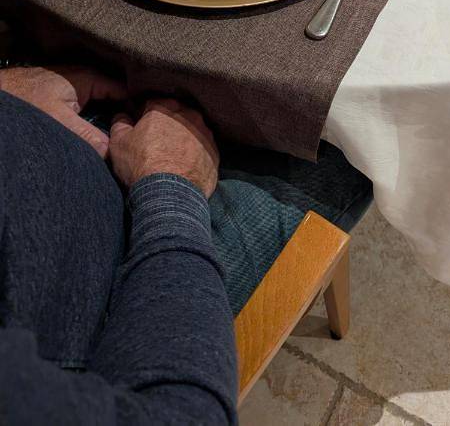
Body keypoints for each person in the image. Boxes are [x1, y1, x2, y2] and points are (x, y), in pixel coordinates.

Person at [0, 65, 372, 424]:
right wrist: (171, 188)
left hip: (38, 137)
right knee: (359, 124)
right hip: (127, 285)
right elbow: (187, 415)